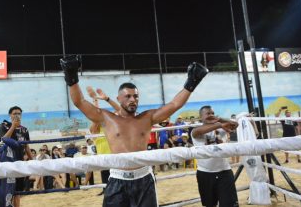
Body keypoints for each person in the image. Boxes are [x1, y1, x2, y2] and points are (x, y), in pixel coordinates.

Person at [60, 55, 208, 207]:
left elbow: (174, 104)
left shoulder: (147, 118)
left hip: (144, 179)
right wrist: (71, 76)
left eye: (135, 96)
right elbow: (79, 102)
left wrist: (191, 82)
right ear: (118, 98)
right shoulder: (107, 118)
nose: (132, 100)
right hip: (118, 179)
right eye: (128, 96)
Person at [191, 105, 239, 207]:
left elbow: (235, 124)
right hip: (205, 173)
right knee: (210, 205)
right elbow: (198, 132)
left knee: (229, 204)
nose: (211, 115)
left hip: (224, 172)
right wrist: (219, 124)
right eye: (208, 114)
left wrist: (220, 119)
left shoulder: (220, 128)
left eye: (212, 113)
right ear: (201, 117)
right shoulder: (196, 130)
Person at [0, 106, 32, 207]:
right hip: (7, 163)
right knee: (7, 190)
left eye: (19, 113)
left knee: (18, 191)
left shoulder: (24, 130)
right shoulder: (4, 125)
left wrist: (33, 161)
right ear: (10, 115)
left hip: (19, 162)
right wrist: (13, 126)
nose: (17, 115)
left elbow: (26, 146)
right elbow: (3, 139)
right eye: (14, 113)